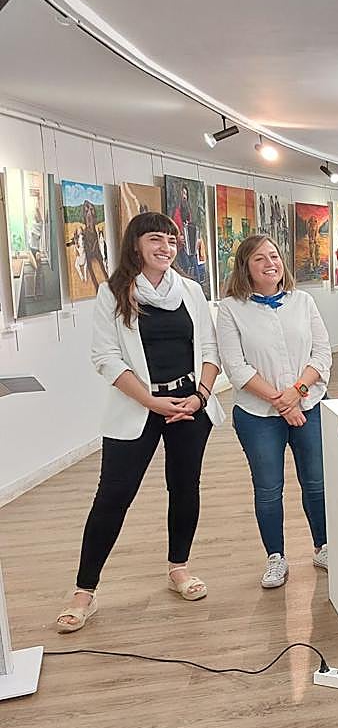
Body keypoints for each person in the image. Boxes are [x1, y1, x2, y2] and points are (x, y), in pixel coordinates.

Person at [55, 212, 225, 633]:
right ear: (136, 244)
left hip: (189, 403)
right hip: (138, 406)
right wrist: (152, 401)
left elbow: (209, 347)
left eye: (171, 240)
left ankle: (179, 568)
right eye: (156, 239)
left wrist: (200, 396)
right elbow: (105, 358)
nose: (165, 247)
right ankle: (84, 591)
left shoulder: (190, 290)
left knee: (184, 488)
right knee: (113, 495)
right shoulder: (113, 292)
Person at [216, 235, 332, 588]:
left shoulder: (303, 301)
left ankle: (323, 545)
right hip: (257, 416)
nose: (271, 263)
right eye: (259, 259)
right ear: (245, 268)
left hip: (307, 407)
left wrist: (295, 394)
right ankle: (276, 557)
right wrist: (282, 404)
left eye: (274, 256)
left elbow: (322, 354)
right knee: (268, 488)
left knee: (316, 483)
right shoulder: (231, 308)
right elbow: (236, 368)